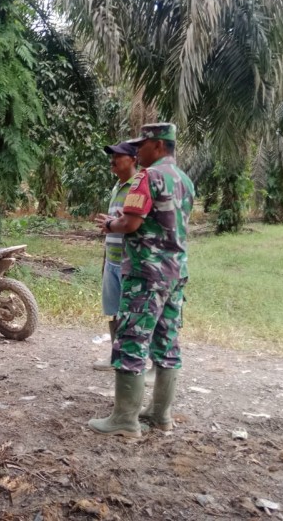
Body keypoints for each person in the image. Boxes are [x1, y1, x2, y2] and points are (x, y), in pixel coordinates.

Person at [90, 123, 195, 437]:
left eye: (143, 145)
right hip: (175, 273)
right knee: (167, 343)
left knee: (132, 342)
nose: (138, 151)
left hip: (146, 274)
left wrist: (111, 223)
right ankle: (161, 415)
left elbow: (132, 223)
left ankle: (125, 419)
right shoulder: (185, 180)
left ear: (159, 146)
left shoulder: (147, 177)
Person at [93, 141, 138, 371]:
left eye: (118, 156)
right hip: (112, 259)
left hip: (128, 261)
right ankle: (116, 356)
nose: (113, 160)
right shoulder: (117, 186)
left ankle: (130, 359)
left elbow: (132, 224)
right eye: (112, 156)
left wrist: (115, 224)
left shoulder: (137, 187)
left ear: (132, 159)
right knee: (114, 311)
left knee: (129, 313)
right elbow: (113, 225)